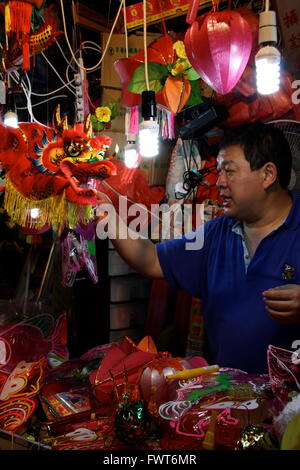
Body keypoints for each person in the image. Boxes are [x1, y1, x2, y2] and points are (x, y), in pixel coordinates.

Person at [96, 122, 300, 374]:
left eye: (230, 171)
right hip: (230, 399)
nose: (220, 182)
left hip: (292, 406)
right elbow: (151, 260)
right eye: (220, 171)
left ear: (268, 174)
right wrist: (107, 214)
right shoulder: (217, 234)